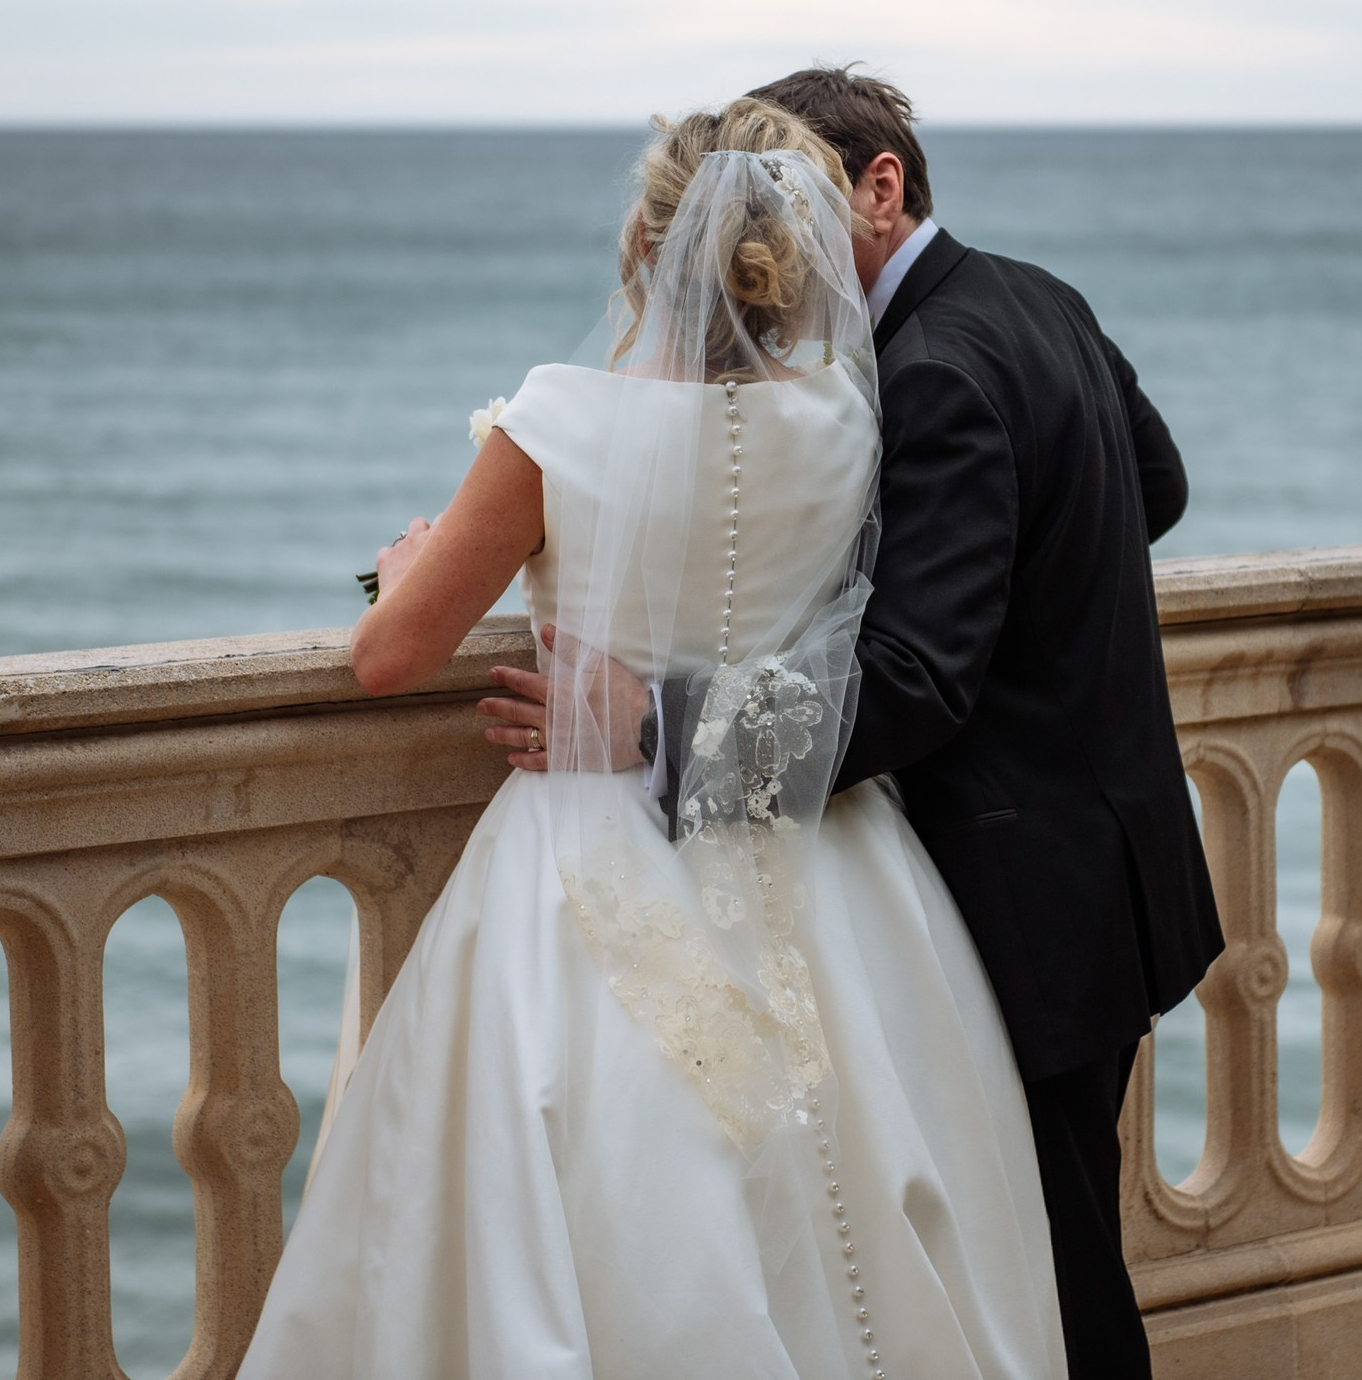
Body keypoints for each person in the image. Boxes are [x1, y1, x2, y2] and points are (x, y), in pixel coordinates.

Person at [241, 98, 1067, 1379]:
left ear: (649, 241)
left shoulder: (561, 420)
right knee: (855, 1197)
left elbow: (388, 653)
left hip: (587, 839)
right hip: (821, 848)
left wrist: (409, 564)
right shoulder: (846, 423)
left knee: (578, 1186)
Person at [482, 69, 1222, 1379]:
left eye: (805, 192)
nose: (775, 231)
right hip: (1114, 857)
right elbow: (1153, 485)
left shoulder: (924, 366)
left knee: (1054, 1278)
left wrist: (652, 722)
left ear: (884, 186)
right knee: (1048, 1247)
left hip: (1019, 885)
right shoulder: (1038, 295)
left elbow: (918, 683)